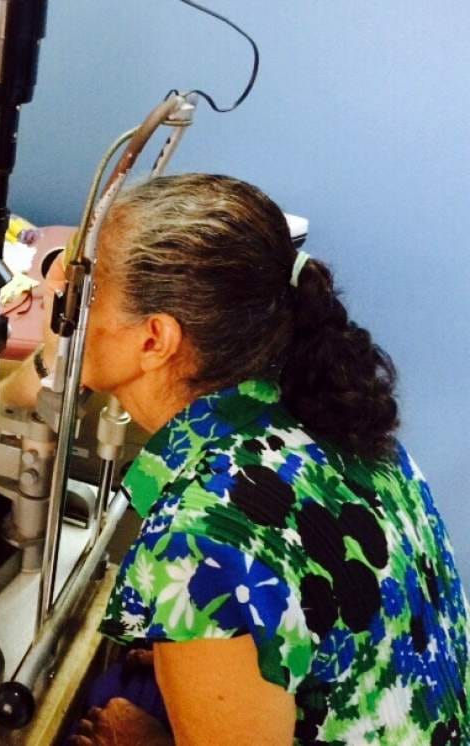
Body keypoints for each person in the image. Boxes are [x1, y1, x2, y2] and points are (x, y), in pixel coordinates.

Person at [55, 174, 469, 744]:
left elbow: (231, 563)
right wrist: (215, 650)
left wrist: (148, 741)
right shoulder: (329, 407)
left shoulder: (198, 542)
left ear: (155, 340)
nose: (60, 291)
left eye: (88, 288)